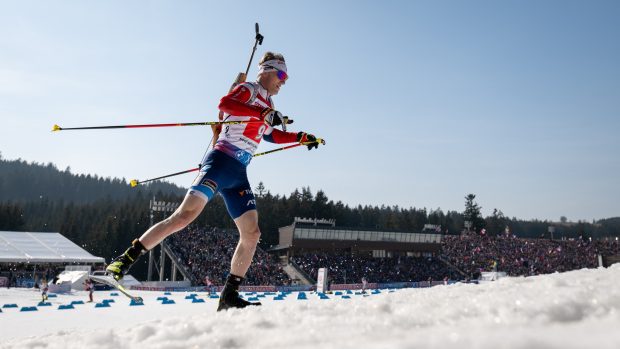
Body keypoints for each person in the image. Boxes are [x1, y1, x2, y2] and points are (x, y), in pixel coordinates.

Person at [106, 52, 322, 311]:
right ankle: (122, 262)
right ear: (267, 71)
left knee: (252, 234)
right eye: (282, 75)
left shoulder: (269, 106)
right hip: (220, 162)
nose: (284, 82)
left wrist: (300, 137)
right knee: (183, 217)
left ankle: (229, 295)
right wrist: (262, 112)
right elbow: (226, 103)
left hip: (239, 173)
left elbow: (271, 136)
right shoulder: (249, 89)